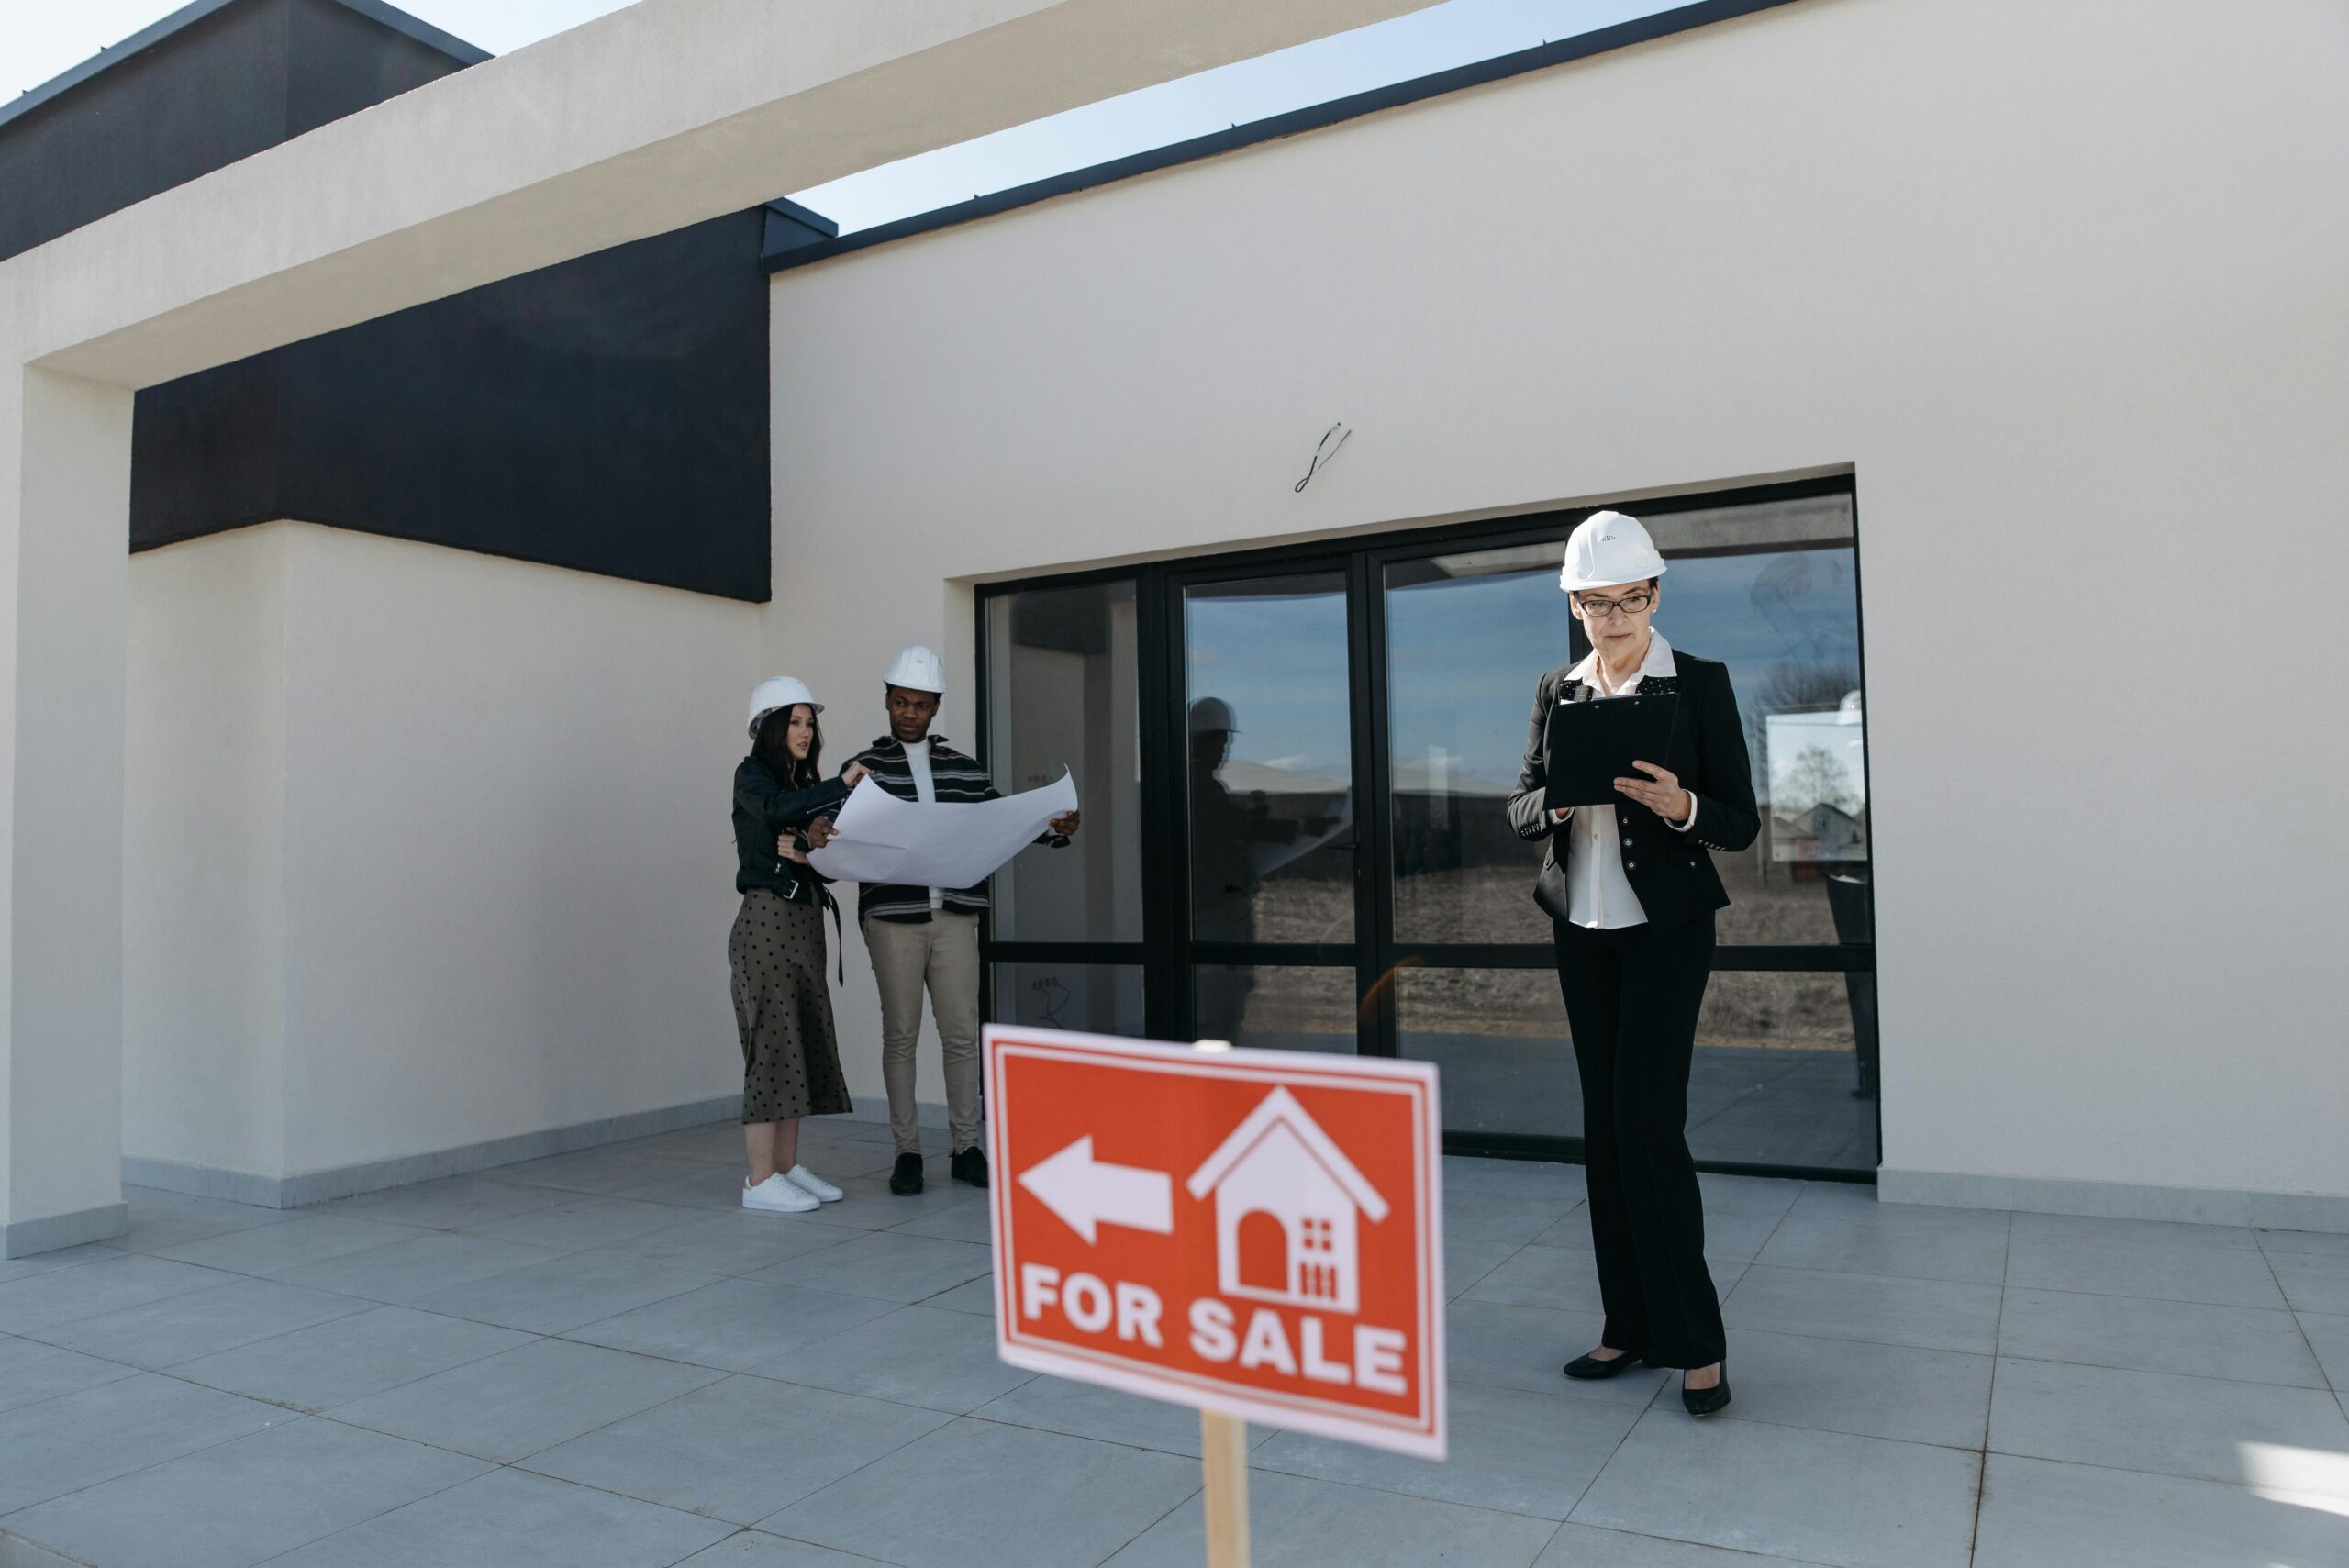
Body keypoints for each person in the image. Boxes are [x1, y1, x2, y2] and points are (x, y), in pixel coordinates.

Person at [1505, 511, 1759, 1416]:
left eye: (1626, 600)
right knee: (1605, 1131)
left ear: (1652, 595)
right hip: (1581, 927)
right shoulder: (1557, 688)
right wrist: (1557, 808)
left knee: (1648, 1126)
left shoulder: (1697, 684)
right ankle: (1627, 1323)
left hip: (1666, 930)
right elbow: (1521, 801)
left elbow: (1739, 818)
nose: (1610, 618)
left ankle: (1696, 1342)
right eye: (1593, 603)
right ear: (1573, 606)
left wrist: (1682, 801)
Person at [814, 647, 1079, 1196]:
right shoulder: (865, 767)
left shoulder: (963, 767)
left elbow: (1002, 823)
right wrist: (819, 827)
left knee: (961, 1034)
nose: (909, 713)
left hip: (956, 915)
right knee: (902, 1035)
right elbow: (832, 827)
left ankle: (967, 1147)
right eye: (900, 702)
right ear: (887, 701)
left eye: (921, 705)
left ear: (937, 708)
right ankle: (906, 1152)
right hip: (893, 918)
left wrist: (1054, 824)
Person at [730, 676, 870, 1214]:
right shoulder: (753, 776)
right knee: (771, 1047)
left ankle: (786, 1168)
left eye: (810, 722)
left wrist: (809, 854)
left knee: (797, 1045)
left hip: (803, 923)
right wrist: (839, 784)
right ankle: (759, 1179)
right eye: (794, 721)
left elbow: (825, 863)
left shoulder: (802, 786)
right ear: (768, 726)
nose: (806, 731)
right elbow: (770, 812)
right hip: (766, 923)